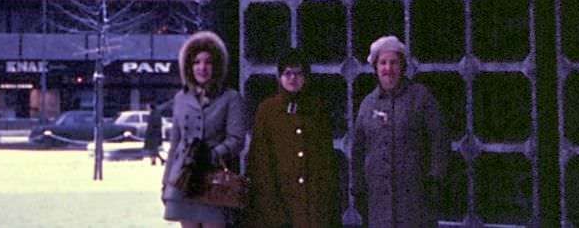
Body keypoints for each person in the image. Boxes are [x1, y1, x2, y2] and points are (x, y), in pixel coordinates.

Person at [351, 35, 448, 228]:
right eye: (383, 63)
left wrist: (435, 179)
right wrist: (358, 187)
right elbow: (358, 149)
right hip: (378, 202)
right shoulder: (367, 104)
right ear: (376, 67)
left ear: (402, 66)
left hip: (414, 200)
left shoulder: (421, 98)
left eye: (393, 62)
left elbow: (439, 140)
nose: (388, 69)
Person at [245, 48, 341, 228]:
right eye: (287, 73)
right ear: (280, 77)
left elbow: (326, 161)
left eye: (298, 73)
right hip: (279, 205)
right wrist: (270, 208)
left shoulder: (317, 109)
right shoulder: (267, 111)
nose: (292, 78)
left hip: (312, 207)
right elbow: (260, 161)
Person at [162, 30, 246, 228]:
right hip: (183, 181)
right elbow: (175, 144)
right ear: (188, 66)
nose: (202, 67)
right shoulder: (180, 98)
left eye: (208, 62)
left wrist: (213, 154)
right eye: (197, 62)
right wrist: (166, 183)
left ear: (216, 66)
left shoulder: (230, 98)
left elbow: (236, 139)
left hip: (214, 181)